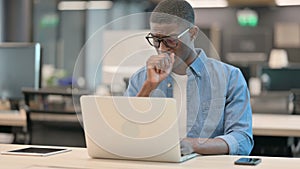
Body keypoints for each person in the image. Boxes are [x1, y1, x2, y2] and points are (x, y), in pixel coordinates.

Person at [124, 0, 253, 155]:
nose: (162, 49)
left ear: (192, 33)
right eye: (156, 40)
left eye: (170, 41)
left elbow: (242, 140)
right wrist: (148, 88)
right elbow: (126, 132)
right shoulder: (141, 79)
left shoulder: (230, 77)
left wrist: (194, 145)